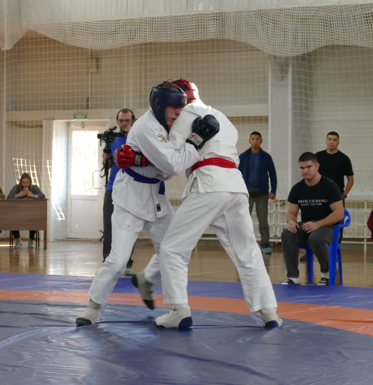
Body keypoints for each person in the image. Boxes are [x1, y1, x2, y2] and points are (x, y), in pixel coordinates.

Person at [137, 79, 281, 329]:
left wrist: (140, 159)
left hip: (208, 184)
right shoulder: (223, 117)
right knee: (247, 250)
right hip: (236, 187)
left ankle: (179, 309)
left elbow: (171, 161)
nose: (174, 112)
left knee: (172, 248)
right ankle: (269, 311)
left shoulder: (186, 115)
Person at [75, 81, 212, 327]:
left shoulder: (169, 125)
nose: (179, 112)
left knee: (175, 248)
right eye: (175, 107)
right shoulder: (147, 127)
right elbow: (173, 165)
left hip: (156, 197)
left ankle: (162, 293)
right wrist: (196, 141)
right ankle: (93, 307)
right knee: (117, 260)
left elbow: (169, 172)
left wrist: (142, 158)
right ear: (160, 105)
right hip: (130, 198)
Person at [281, 152, 344, 286]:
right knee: (287, 234)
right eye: (302, 168)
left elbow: (339, 214)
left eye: (309, 167)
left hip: (329, 227)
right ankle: (293, 277)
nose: (305, 171)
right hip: (308, 226)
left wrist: (318, 225)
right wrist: (291, 222)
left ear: (317, 166)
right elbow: (291, 213)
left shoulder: (330, 186)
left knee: (316, 238)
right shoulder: (297, 188)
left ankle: (327, 273)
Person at [102, 108, 137, 276]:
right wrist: (105, 159)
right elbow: (108, 165)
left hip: (132, 187)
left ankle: (127, 262)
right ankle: (107, 261)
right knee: (109, 223)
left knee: (129, 225)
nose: (123, 124)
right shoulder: (112, 138)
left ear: (133, 122)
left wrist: (132, 135)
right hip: (112, 186)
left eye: (127, 121)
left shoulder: (138, 137)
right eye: (121, 121)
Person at [238, 131, 277, 254]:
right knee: (244, 219)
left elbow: (273, 175)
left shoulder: (266, 157)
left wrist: (273, 190)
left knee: (263, 220)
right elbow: (236, 174)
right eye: (253, 139)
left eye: (257, 139)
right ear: (249, 140)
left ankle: (265, 244)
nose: (255, 141)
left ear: (261, 141)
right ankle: (244, 244)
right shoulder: (243, 156)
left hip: (262, 193)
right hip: (246, 193)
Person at [7, 173, 46, 249]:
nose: (25, 184)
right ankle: (18, 239)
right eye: (24, 182)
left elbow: (42, 195)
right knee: (13, 219)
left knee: (34, 220)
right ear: (21, 182)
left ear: (30, 182)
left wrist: (33, 195)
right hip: (18, 212)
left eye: (27, 183)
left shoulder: (34, 188)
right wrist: (18, 195)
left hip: (30, 212)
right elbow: (9, 197)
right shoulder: (16, 187)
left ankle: (31, 239)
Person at [316, 132, 354, 201]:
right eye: (329, 139)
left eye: (334, 140)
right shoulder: (317, 156)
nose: (331, 142)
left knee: (338, 212)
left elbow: (351, 180)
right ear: (326, 141)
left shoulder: (344, 159)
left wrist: (344, 195)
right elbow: (311, 175)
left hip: (337, 195)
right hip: (319, 194)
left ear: (338, 142)